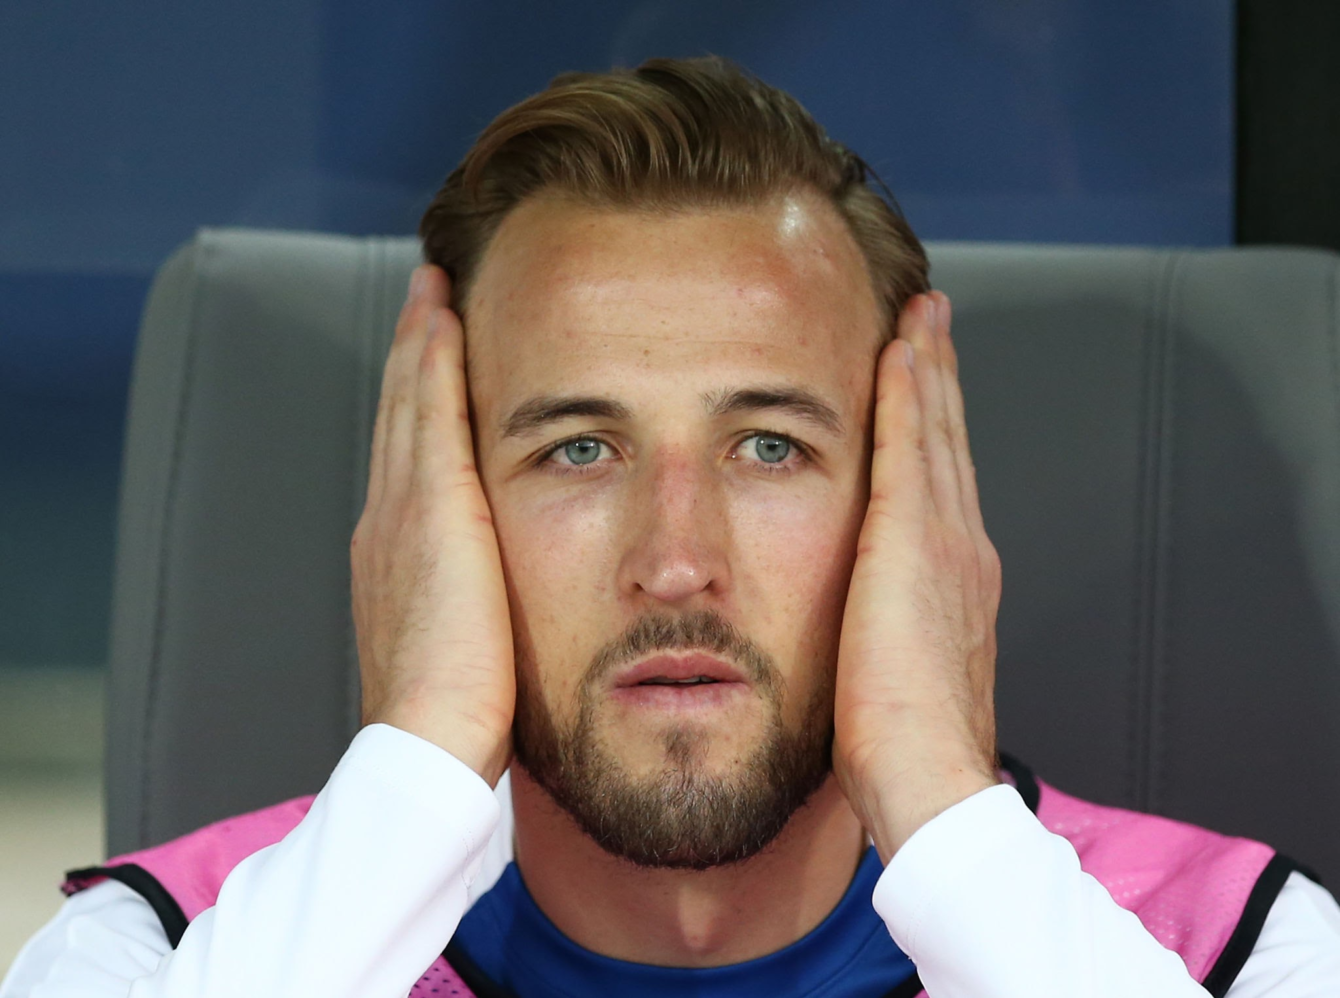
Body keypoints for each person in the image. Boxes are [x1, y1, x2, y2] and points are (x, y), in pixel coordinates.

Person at [4, 55, 1339, 998]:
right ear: (440, 509)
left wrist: (945, 804)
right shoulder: (149, 951)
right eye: (578, 449)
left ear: (910, 499)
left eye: (770, 447)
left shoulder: (1243, 954)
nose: (677, 562)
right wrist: (409, 783)